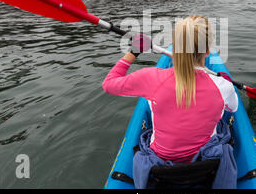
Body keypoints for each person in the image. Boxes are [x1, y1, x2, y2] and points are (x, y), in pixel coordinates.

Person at [102, 15, 238, 164]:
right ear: (206, 51)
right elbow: (232, 108)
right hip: (202, 160)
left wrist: (134, 51)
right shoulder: (223, 86)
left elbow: (109, 84)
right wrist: (225, 82)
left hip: (161, 162)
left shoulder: (151, 77)